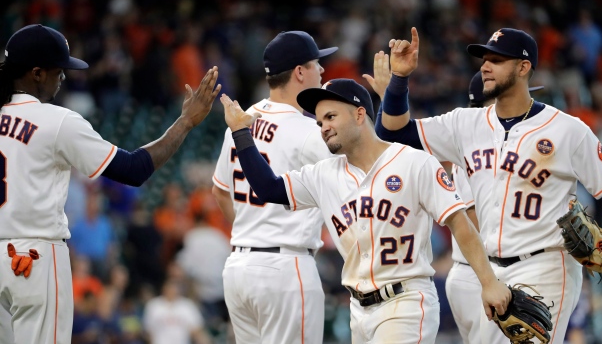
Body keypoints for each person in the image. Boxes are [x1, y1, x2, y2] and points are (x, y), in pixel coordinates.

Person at [218, 76, 511, 343]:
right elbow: (268, 188)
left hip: (406, 302)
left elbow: (459, 224)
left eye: (331, 116)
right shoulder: (322, 174)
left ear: (360, 114)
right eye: (319, 122)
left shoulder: (414, 162)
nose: (324, 128)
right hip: (358, 310)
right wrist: (241, 135)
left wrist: (489, 282)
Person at [376, 26, 602, 343]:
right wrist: (399, 80)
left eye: (497, 59)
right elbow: (394, 133)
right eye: (484, 59)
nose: (486, 66)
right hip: (488, 272)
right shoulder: (464, 123)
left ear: (523, 67)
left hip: (543, 265)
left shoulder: (567, 130)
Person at [0, 24, 221, 344]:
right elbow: (133, 169)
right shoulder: (57, 121)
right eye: (58, 70)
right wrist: (185, 122)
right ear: (36, 73)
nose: (63, 77)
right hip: (35, 257)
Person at [211, 30, 336, 344]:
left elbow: (219, 191)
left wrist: (254, 233)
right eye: (316, 63)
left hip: (239, 266)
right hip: (286, 268)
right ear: (299, 72)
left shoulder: (241, 118)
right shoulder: (309, 132)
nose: (322, 70)